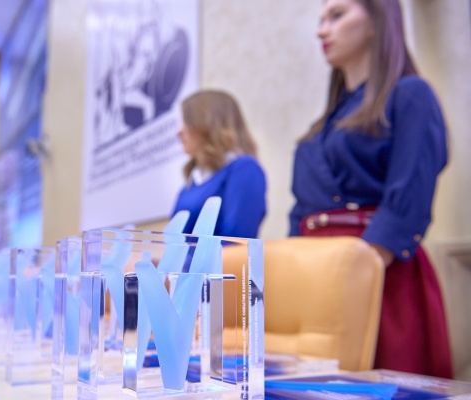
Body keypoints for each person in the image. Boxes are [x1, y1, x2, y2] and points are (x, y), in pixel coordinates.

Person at [289, 0, 452, 378]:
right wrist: (293, 278)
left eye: (337, 15)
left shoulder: (410, 95)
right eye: (321, 19)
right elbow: (300, 214)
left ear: (377, 20)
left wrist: (356, 276)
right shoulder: (321, 127)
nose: (321, 30)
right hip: (316, 277)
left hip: (380, 274)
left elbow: (408, 199)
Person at [172, 90, 266, 238]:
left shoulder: (244, 170)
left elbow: (237, 241)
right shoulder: (191, 183)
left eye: (186, 122)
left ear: (207, 125)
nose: (179, 131)